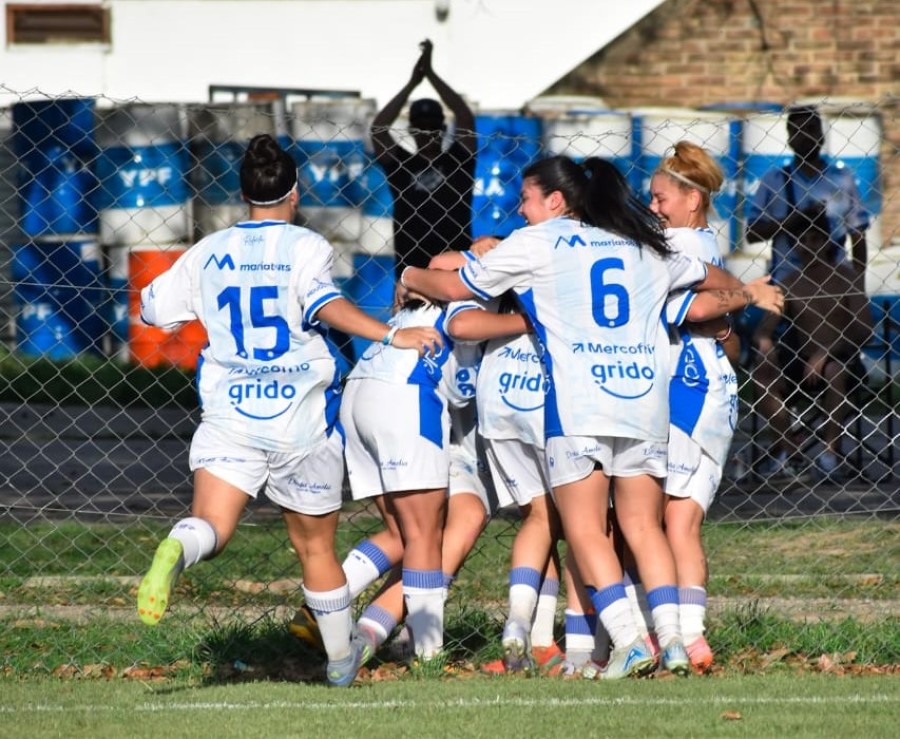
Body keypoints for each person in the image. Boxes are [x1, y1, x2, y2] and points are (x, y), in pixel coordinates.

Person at [400, 155, 782, 679]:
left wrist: (409, 271)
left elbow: (456, 288)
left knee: (583, 528)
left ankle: (629, 639)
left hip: (580, 406)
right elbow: (709, 279)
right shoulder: (644, 244)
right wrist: (745, 294)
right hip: (645, 402)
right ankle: (672, 641)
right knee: (644, 525)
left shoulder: (541, 242)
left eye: (526, 197)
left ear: (562, 200)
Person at [134, 133, 441, 688]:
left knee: (213, 526)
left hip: (231, 414)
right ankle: (341, 662)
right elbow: (326, 304)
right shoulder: (306, 247)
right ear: (294, 193)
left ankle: (178, 545)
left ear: (243, 193)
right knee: (315, 548)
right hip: (299, 419)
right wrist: (391, 335)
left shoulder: (209, 250)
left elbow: (154, 309)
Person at [648, 141, 784, 673]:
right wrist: (737, 306)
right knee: (680, 522)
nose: (653, 208)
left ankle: (673, 638)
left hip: (688, 387)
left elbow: (699, 306)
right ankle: (692, 639)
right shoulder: (703, 239)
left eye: (661, 198)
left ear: (691, 200)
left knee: (662, 521)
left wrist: (739, 302)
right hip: (712, 386)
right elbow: (722, 331)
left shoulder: (678, 246)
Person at [753, 205, 874, 481]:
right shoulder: (790, 283)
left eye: (816, 239)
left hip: (842, 358)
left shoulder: (846, 278)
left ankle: (829, 454)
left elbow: (865, 330)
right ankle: (789, 451)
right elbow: (764, 328)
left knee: (834, 371)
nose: (809, 246)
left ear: (827, 241)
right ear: (795, 245)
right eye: (802, 240)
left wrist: (827, 351)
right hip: (802, 362)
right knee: (763, 375)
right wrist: (765, 345)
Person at [371, 38, 477, 281]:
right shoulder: (400, 164)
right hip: (412, 269)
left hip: (455, 268)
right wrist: (411, 84)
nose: (427, 131)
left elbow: (463, 115)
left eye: (432, 125)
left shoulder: (459, 160)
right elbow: (378, 129)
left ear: (442, 128)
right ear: (411, 129)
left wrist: (431, 74)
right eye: (420, 126)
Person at [746, 104, 869, 282]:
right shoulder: (773, 180)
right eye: (797, 131)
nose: (805, 136)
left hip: (835, 282)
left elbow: (858, 235)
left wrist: (858, 286)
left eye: (811, 129)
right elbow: (752, 234)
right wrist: (794, 220)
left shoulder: (842, 179)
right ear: (789, 140)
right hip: (787, 281)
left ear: (822, 135)